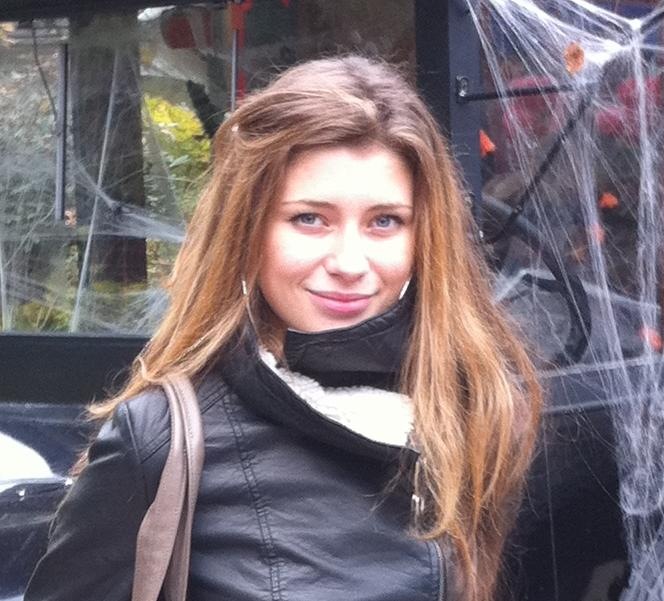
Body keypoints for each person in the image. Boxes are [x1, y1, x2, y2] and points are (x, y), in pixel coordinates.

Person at [25, 55, 541, 601]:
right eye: (309, 219)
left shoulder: (474, 407)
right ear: (247, 230)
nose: (349, 262)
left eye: (384, 221)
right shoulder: (159, 440)